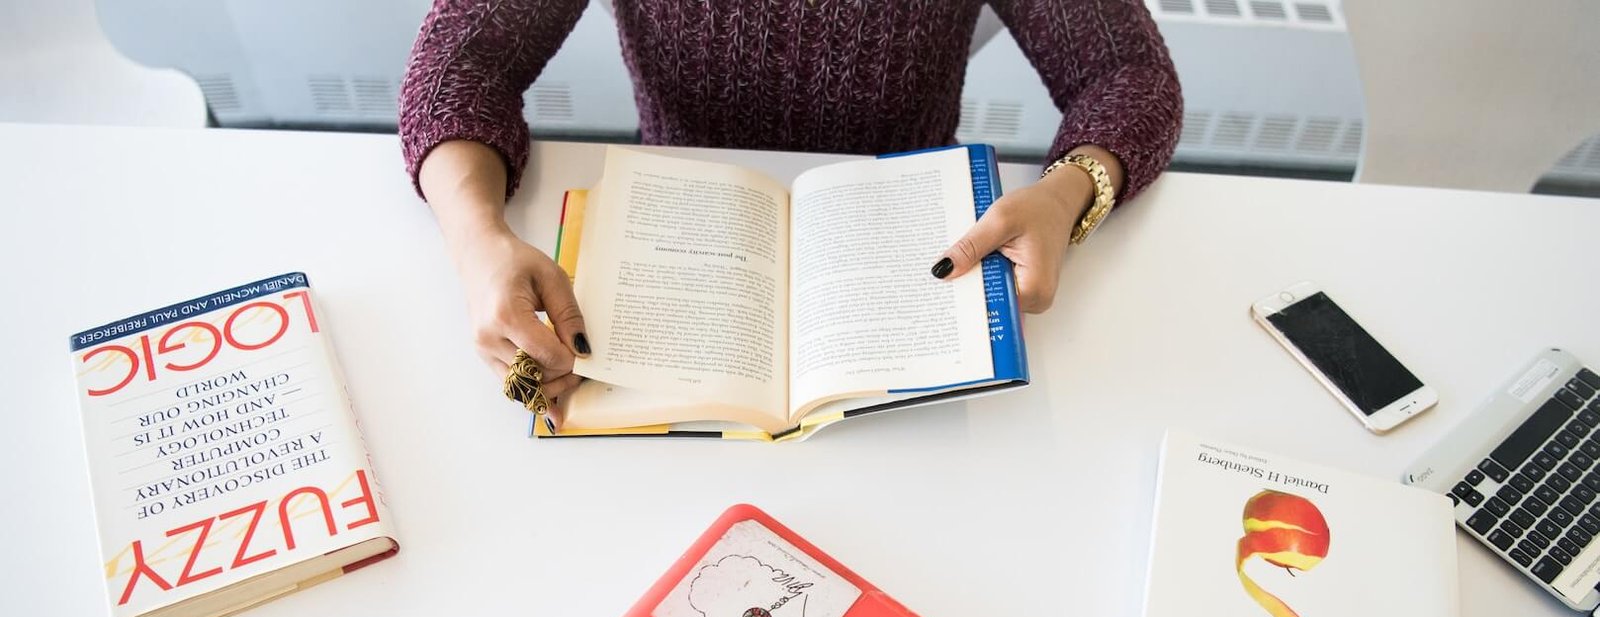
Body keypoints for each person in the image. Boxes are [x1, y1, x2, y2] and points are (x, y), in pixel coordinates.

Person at [400, 0, 1182, 424]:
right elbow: (460, 62)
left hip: (908, 268)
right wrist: (479, 243)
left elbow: (1127, 71)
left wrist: (1068, 190)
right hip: (673, 255)